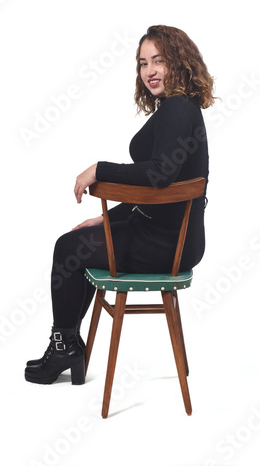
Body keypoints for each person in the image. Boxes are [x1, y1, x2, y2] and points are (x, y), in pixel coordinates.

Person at [24, 24, 216, 385]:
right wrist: (106, 220)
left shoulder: (177, 108)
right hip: (167, 235)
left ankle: (64, 346)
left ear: (179, 61)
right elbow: (158, 190)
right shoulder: (176, 109)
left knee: (68, 249)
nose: (150, 71)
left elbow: (158, 176)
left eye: (159, 60)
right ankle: (66, 345)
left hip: (167, 241)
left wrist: (99, 169)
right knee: (77, 244)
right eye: (143, 63)